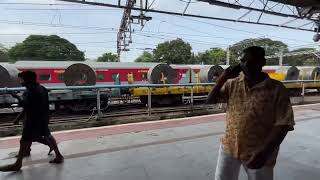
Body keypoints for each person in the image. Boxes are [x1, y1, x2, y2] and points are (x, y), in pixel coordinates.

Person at [207, 46, 295, 180]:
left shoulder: (276, 89)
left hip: (259, 151)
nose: (246, 65)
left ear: (262, 63)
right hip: (229, 147)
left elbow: (283, 124)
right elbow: (210, 100)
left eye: (251, 61)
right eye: (242, 61)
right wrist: (224, 77)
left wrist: (265, 152)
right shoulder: (232, 84)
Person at [0, 71, 64, 172]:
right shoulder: (42, 88)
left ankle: (18, 164)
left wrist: (16, 97)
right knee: (47, 136)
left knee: (24, 140)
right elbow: (44, 105)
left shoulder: (30, 91)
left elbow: (27, 106)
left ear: (27, 80)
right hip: (42, 118)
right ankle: (59, 156)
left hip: (32, 120)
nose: (20, 82)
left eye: (21, 80)